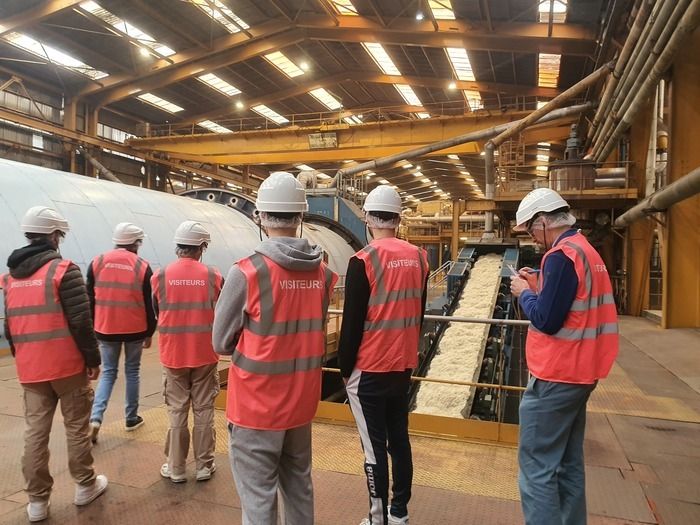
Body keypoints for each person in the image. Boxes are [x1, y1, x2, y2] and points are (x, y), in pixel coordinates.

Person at [213, 172, 337, 525]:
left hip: (256, 408)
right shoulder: (324, 275)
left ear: (261, 216)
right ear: (301, 217)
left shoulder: (247, 272)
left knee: (258, 500)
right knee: (299, 488)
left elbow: (220, 342)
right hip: (300, 405)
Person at [509, 188, 619, 525]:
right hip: (582, 374)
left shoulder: (559, 256)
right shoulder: (585, 250)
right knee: (568, 466)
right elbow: (573, 298)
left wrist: (525, 293)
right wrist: (541, 281)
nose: (532, 237)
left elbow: (547, 319)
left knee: (537, 470)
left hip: (555, 376)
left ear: (543, 222)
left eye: (531, 229)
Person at [2, 206, 108, 522]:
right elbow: (80, 320)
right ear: (53, 236)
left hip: (31, 369)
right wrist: (92, 359)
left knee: (35, 433)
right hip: (67, 367)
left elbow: (11, 326)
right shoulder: (63, 271)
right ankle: (85, 486)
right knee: (76, 428)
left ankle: (37, 502)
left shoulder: (10, 278)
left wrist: (22, 357)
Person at [338, 186, 428, 525]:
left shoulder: (363, 260)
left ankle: (378, 519)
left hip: (370, 369)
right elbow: (418, 315)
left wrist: (347, 371)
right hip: (402, 364)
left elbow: (352, 325)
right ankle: (399, 513)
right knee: (399, 440)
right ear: (399, 218)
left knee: (374, 447)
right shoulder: (420, 257)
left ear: (367, 218)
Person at [151, 221, 223, 483]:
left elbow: (157, 311)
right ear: (202, 247)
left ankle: (177, 468)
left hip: (173, 355)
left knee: (177, 410)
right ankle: (204, 466)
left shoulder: (158, 276)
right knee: (203, 409)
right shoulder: (214, 276)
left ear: (177, 246)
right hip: (204, 352)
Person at [86, 222, 156, 442]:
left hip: (105, 329)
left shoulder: (96, 262)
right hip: (135, 329)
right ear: (136, 243)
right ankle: (131, 418)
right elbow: (149, 303)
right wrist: (149, 332)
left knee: (108, 373)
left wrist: (93, 327)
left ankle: (96, 418)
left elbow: (90, 298)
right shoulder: (142, 266)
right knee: (132, 371)